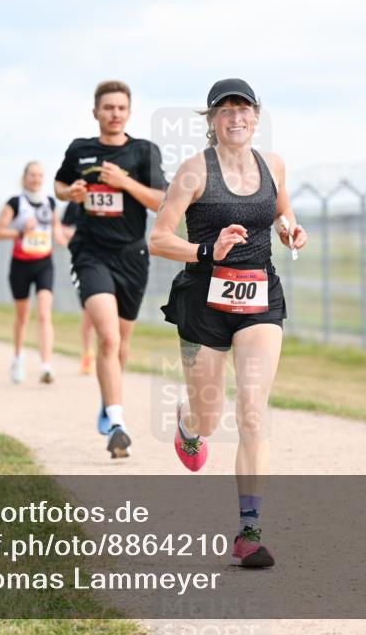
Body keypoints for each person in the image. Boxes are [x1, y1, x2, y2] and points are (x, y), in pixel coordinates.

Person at [148, 79, 308, 568]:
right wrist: (206, 250)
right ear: (212, 120)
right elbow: (158, 238)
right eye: (225, 110)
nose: (235, 118)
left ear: (256, 117)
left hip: (260, 295)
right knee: (209, 416)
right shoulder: (194, 171)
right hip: (203, 300)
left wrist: (290, 229)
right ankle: (188, 424)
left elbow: (281, 211)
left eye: (243, 109)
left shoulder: (273, 165)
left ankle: (249, 532)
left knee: (253, 411)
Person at [54, 80, 168, 459]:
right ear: (96, 112)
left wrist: (124, 182)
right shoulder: (80, 149)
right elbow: (59, 184)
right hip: (91, 254)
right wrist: (69, 193)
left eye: (121, 108)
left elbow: (162, 202)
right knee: (107, 338)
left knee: (121, 343)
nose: (114, 113)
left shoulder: (143, 152)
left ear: (129, 113)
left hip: (132, 257)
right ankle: (118, 423)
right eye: (108, 107)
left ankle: (108, 401)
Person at [0, 161, 65, 384]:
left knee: (44, 313)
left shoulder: (50, 202)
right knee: (22, 316)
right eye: (32, 175)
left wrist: (62, 236)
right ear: (24, 177)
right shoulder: (15, 203)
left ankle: (46, 366)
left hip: (44, 263)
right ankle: (17, 358)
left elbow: (56, 228)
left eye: (40, 175)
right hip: (20, 265)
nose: (36, 179)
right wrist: (20, 232)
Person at [60, 201, 96, 374]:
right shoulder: (75, 202)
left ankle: (110, 354)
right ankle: (88, 354)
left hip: (115, 262)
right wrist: (83, 234)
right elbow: (63, 229)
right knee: (89, 312)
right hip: (85, 263)